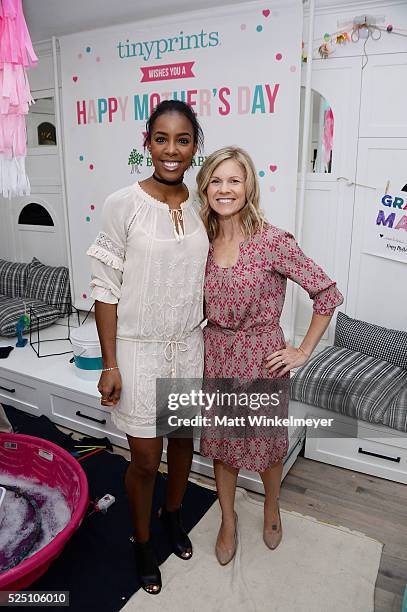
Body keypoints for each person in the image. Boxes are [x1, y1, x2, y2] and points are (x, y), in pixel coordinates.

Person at [196, 146, 343, 565]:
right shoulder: (200, 241)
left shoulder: (273, 241)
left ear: (249, 186)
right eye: (216, 181)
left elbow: (326, 294)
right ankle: (228, 518)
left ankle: (271, 506)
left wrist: (302, 351)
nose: (225, 189)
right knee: (224, 447)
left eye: (234, 180)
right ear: (205, 188)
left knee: (265, 447)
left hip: (262, 359)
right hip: (217, 355)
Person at [87, 100, 208, 594]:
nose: (172, 150)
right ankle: (141, 540)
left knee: (182, 441)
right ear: (147, 142)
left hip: (189, 346)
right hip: (138, 351)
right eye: (162, 139)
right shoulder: (123, 204)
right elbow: (104, 288)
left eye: (183, 140)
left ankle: (172, 515)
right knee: (143, 456)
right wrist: (110, 363)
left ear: (194, 147)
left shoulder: (205, 204)